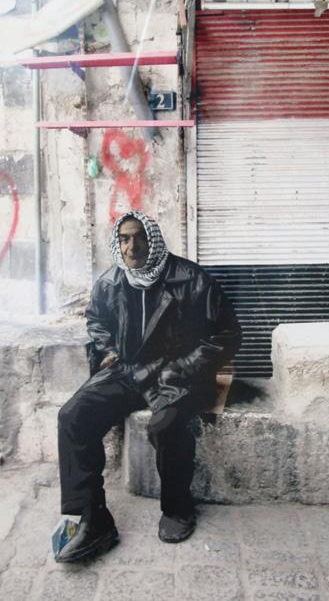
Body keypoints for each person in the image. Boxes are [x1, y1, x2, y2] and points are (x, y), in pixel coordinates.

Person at [55, 210, 241, 562]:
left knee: (166, 424)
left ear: (152, 239)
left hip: (176, 374)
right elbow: (96, 320)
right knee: (73, 416)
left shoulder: (191, 278)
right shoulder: (111, 282)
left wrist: (183, 367)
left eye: (139, 237)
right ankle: (93, 518)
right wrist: (108, 350)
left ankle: (177, 509)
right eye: (124, 239)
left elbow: (227, 335)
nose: (132, 246)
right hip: (128, 371)